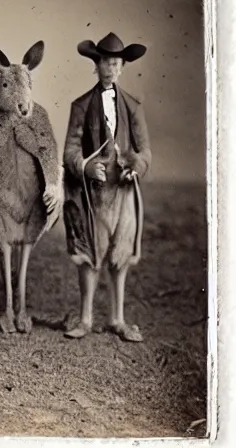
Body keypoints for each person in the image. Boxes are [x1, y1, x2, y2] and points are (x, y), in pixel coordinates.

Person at [62, 32, 152, 342]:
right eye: (105, 62)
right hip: (93, 196)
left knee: (121, 254)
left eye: (115, 63)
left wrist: (135, 168)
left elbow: (144, 152)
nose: (110, 68)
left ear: (122, 66)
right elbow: (71, 149)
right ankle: (85, 319)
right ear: (96, 65)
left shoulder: (133, 106)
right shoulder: (81, 106)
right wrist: (85, 166)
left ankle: (117, 318)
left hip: (124, 194)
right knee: (89, 255)